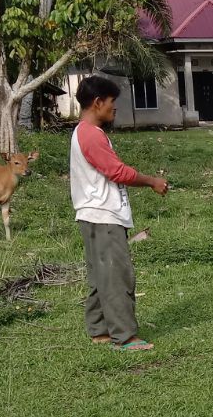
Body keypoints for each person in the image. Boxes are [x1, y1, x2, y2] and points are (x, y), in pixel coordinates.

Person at [71, 75, 169, 352]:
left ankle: (100, 330)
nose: (115, 108)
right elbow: (117, 172)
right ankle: (124, 337)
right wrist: (152, 181)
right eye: (112, 102)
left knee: (101, 275)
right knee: (116, 276)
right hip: (103, 216)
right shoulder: (90, 134)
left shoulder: (84, 132)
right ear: (98, 102)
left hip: (93, 215)